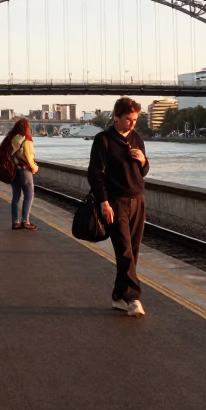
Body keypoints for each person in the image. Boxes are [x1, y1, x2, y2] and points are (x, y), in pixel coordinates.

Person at [88, 97, 150, 317]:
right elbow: (95, 174)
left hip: (137, 200)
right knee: (124, 251)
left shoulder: (137, 138)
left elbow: (142, 172)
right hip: (116, 202)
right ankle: (133, 298)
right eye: (128, 119)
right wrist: (104, 202)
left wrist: (143, 160)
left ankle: (118, 296)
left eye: (135, 119)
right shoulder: (103, 140)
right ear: (116, 117)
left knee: (132, 252)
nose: (132, 124)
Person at [3, 119, 38, 230]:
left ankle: (15, 222)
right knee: (29, 195)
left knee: (16, 197)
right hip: (24, 171)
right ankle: (25, 221)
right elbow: (28, 156)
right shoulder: (26, 140)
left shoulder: (13, 138)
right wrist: (35, 167)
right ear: (26, 128)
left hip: (14, 170)